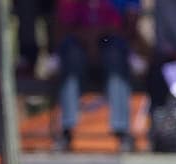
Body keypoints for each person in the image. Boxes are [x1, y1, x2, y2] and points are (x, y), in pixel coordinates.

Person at [52, 0, 142, 152]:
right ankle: (66, 131)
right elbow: (61, 28)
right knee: (72, 57)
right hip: (78, 48)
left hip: (111, 48)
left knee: (115, 62)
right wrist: (88, 39)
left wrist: (99, 35)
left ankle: (122, 132)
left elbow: (128, 30)